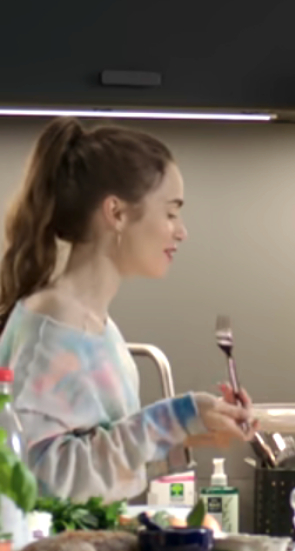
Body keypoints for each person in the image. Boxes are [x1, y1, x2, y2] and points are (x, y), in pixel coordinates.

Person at [0, 117, 252, 503]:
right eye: (170, 213)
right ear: (116, 213)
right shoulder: (55, 326)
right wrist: (173, 419)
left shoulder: (97, 326)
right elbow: (34, 481)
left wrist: (196, 423)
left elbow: (98, 454)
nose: (181, 231)